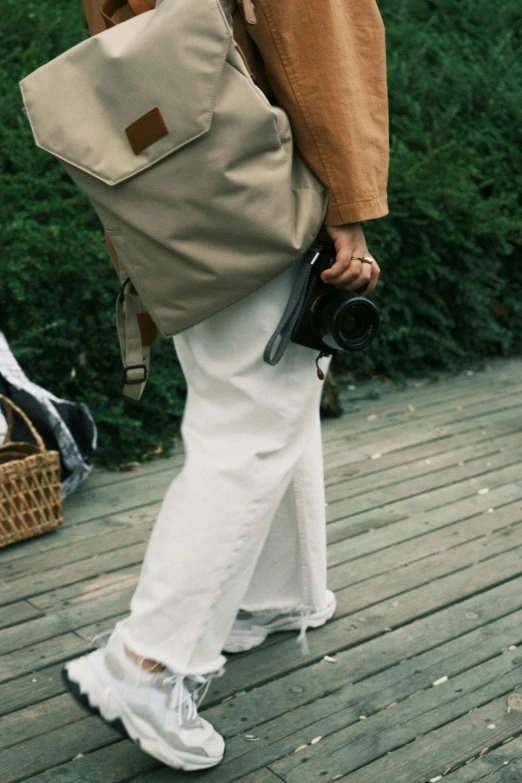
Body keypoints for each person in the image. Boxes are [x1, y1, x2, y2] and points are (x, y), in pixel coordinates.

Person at [63, 0, 389, 771]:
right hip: (258, 176)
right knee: (250, 425)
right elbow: (310, 35)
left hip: (178, 181)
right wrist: (347, 201)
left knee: (264, 398)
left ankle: (275, 597)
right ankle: (145, 663)